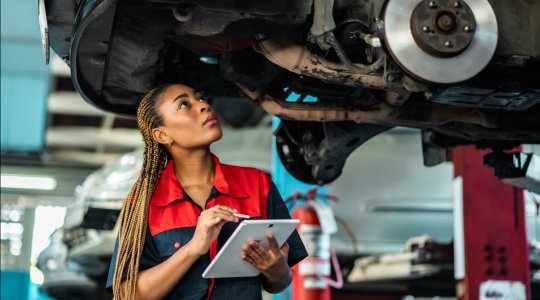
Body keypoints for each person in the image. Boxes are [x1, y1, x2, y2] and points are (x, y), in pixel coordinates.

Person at [106, 83, 308, 299]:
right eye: (184, 104)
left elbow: (279, 283)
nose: (203, 105)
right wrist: (193, 248)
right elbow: (127, 293)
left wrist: (277, 271)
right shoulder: (144, 202)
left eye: (201, 97)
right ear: (162, 135)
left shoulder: (257, 183)